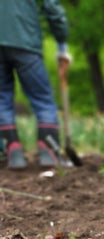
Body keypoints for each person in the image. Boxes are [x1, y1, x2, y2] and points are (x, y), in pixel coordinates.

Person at [0, 0, 72, 170]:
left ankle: (13, 151)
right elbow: (51, 6)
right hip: (25, 40)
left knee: (1, 98)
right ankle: (49, 151)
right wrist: (61, 39)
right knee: (42, 99)